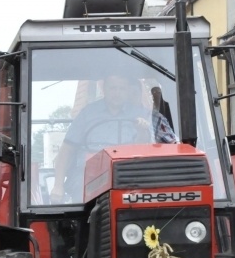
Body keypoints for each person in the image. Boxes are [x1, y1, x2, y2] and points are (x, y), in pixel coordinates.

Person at [50, 74, 178, 203]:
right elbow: (67, 150)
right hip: (90, 175)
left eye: (121, 89)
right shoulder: (87, 114)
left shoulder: (142, 114)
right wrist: (58, 186)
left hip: (129, 173)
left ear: (127, 90)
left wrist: (141, 131)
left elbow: (144, 147)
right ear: (104, 89)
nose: (117, 93)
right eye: (113, 88)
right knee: (79, 191)